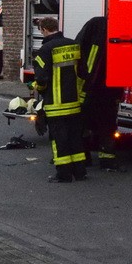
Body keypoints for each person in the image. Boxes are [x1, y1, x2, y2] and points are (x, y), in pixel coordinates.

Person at [32, 17, 87, 183]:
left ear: (44, 30)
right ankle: (80, 172)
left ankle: (64, 174)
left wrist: (37, 88)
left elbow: (41, 79)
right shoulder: (73, 44)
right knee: (75, 138)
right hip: (75, 103)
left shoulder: (46, 49)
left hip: (56, 105)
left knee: (59, 140)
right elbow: (83, 72)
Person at [76, 16, 125, 172]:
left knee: (104, 124)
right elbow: (79, 48)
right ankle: (90, 157)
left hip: (104, 88)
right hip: (93, 87)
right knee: (88, 123)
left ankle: (102, 159)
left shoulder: (100, 25)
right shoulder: (97, 25)